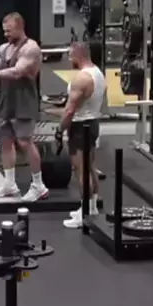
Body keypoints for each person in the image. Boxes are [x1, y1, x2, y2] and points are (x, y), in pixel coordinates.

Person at [0, 12, 49, 202]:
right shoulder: (3, 48)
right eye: (4, 31)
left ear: (20, 27)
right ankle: (9, 184)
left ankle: (39, 185)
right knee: (5, 142)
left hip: (24, 101)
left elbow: (17, 72)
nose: (6, 35)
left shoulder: (31, 48)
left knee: (24, 142)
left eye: (9, 31)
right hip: (5, 101)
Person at [47, 42, 106, 228]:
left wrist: (59, 130)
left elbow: (70, 110)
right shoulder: (98, 73)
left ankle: (84, 213)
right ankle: (92, 207)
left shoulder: (81, 78)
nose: (69, 60)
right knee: (90, 167)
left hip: (80, 127)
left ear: (78, 56)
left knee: (80, 170)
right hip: (93, 123)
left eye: (71, 56)